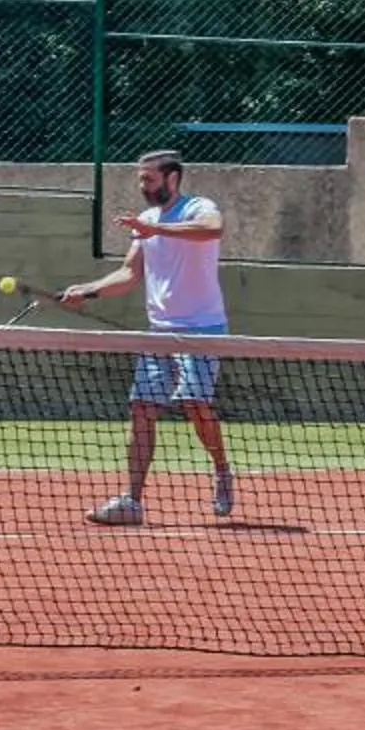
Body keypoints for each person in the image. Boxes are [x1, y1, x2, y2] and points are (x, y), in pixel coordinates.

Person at [57, 149, 236, 525]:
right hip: (159, 331)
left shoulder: (197, 208)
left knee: (194, 403)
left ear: (172, 178)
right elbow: (129, 274)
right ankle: (132, 501)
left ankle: (222, 469)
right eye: (140, 179)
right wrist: (88, 290)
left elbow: (214, 229)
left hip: (202, 327)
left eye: (149, 179)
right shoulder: (147, 222)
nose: (143, 186)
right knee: (141, 407)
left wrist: (158, 230)